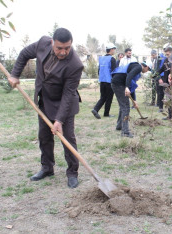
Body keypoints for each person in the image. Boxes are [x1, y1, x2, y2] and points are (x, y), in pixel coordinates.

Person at [8, 28, 84, 189]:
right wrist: (15, 74)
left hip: (65, 104)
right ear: (52, 43)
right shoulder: (42, 43)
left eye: (67, 48)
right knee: (44, 137)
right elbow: (24, 54)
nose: (63, 52)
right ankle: (47, 168)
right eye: (59, 48)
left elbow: (68, 94)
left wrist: (59, 120)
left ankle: (72, 173)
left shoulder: (75, 64)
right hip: (44, 100)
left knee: (68, 139)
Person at [111, 62, 150, 138]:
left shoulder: (135, 67)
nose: (147, 71)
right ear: (146, 67)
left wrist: (134, 100)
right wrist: (126, 87)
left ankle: (119, 126)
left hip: (116, 83)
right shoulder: (138, 67)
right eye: (148, 69)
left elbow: (131, 84)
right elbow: (129, 76)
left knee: (123, 106)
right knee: (126, 107)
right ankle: (125, 132)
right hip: (119, 84)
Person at [91, 43, 117, 119]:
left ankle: (96, 109)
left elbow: (99, 70)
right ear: (111, 49)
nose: (114, 51)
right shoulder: (112, 59)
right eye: (114, 49)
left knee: (103, 97)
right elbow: (114, 71)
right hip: (109, 81)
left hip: (102, 81)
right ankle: (106, 113)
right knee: (109, 98)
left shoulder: (101, 58)